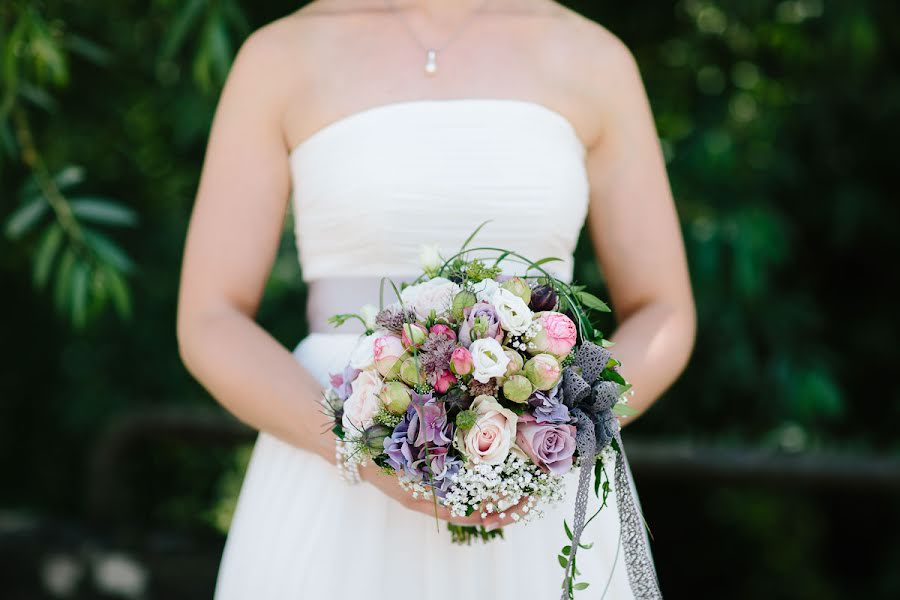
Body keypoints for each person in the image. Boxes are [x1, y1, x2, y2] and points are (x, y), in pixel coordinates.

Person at [175, 0, 696, 598]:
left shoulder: (593, 56)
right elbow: (209, 318)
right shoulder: (281, 56)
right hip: (330, 481)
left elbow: (664, 310)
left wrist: (562, 430)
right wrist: (362, 453)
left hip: (538, 495)